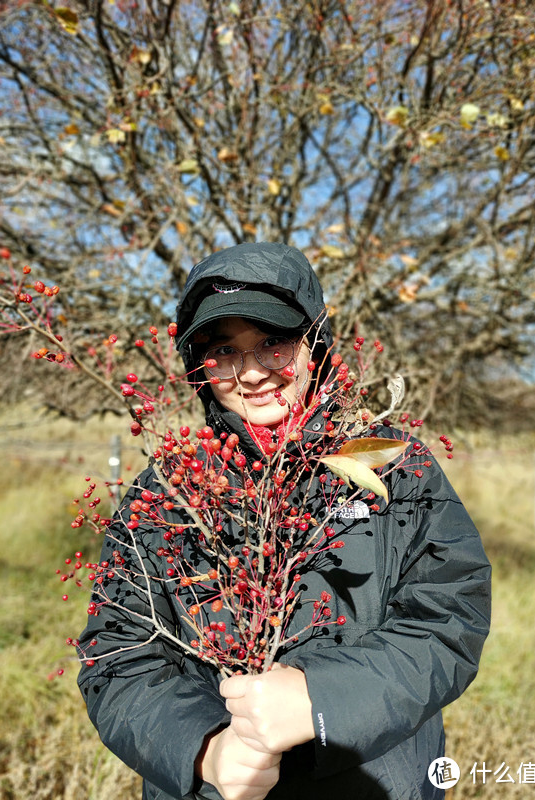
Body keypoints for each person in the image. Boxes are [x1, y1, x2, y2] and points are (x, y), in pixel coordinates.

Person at [78, 242, 491, 800]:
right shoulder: (169, 488)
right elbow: (117, 653)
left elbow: (449, 614)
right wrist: (205, 750)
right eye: (223, 350)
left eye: (273, 342)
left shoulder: (392, 463)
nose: (251, 373)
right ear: (199, 365)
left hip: (376, 784)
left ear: (314, 345)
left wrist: (322, 700)